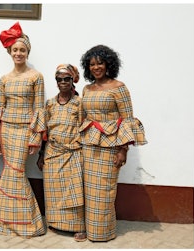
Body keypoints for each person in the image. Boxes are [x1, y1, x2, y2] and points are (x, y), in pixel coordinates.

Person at [79, 44, 147, 241]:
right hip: (89, 144)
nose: (96, 67)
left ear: (109, 64)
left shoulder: (119, 88)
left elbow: (127, 120)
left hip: (110, 146)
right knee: (89, 190)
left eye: (100, 63)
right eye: (92, 64)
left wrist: (122, 150)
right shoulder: (87, 88)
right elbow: (84, 117)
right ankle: (89, 229)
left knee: (104, 190)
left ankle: (103, 232)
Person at [0, 22, 46, 238]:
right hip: (7, 131)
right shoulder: (4, 79)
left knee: (16, 173)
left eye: (22, 49)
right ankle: (5, 222)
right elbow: (0, 109)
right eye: (15, 50)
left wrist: (35, 137)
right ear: (9, 52)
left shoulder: (36, 77)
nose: (18, 53)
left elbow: (39, 108)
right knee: (10, 172)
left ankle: (26, 223)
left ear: (27, 51)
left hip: (24, 132)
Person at [37, 64, 87, 242]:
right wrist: (41, 155)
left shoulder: (80, 103)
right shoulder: (50, 103)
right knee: (53, 191)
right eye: (59, 79)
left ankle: (78, 227)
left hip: (72, 153)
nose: (63, 82)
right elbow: (44, 133)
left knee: (74, 193)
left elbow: (85, 129)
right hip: (52, 153)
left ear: (73, 79)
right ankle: (56, 222)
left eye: (67, 78)